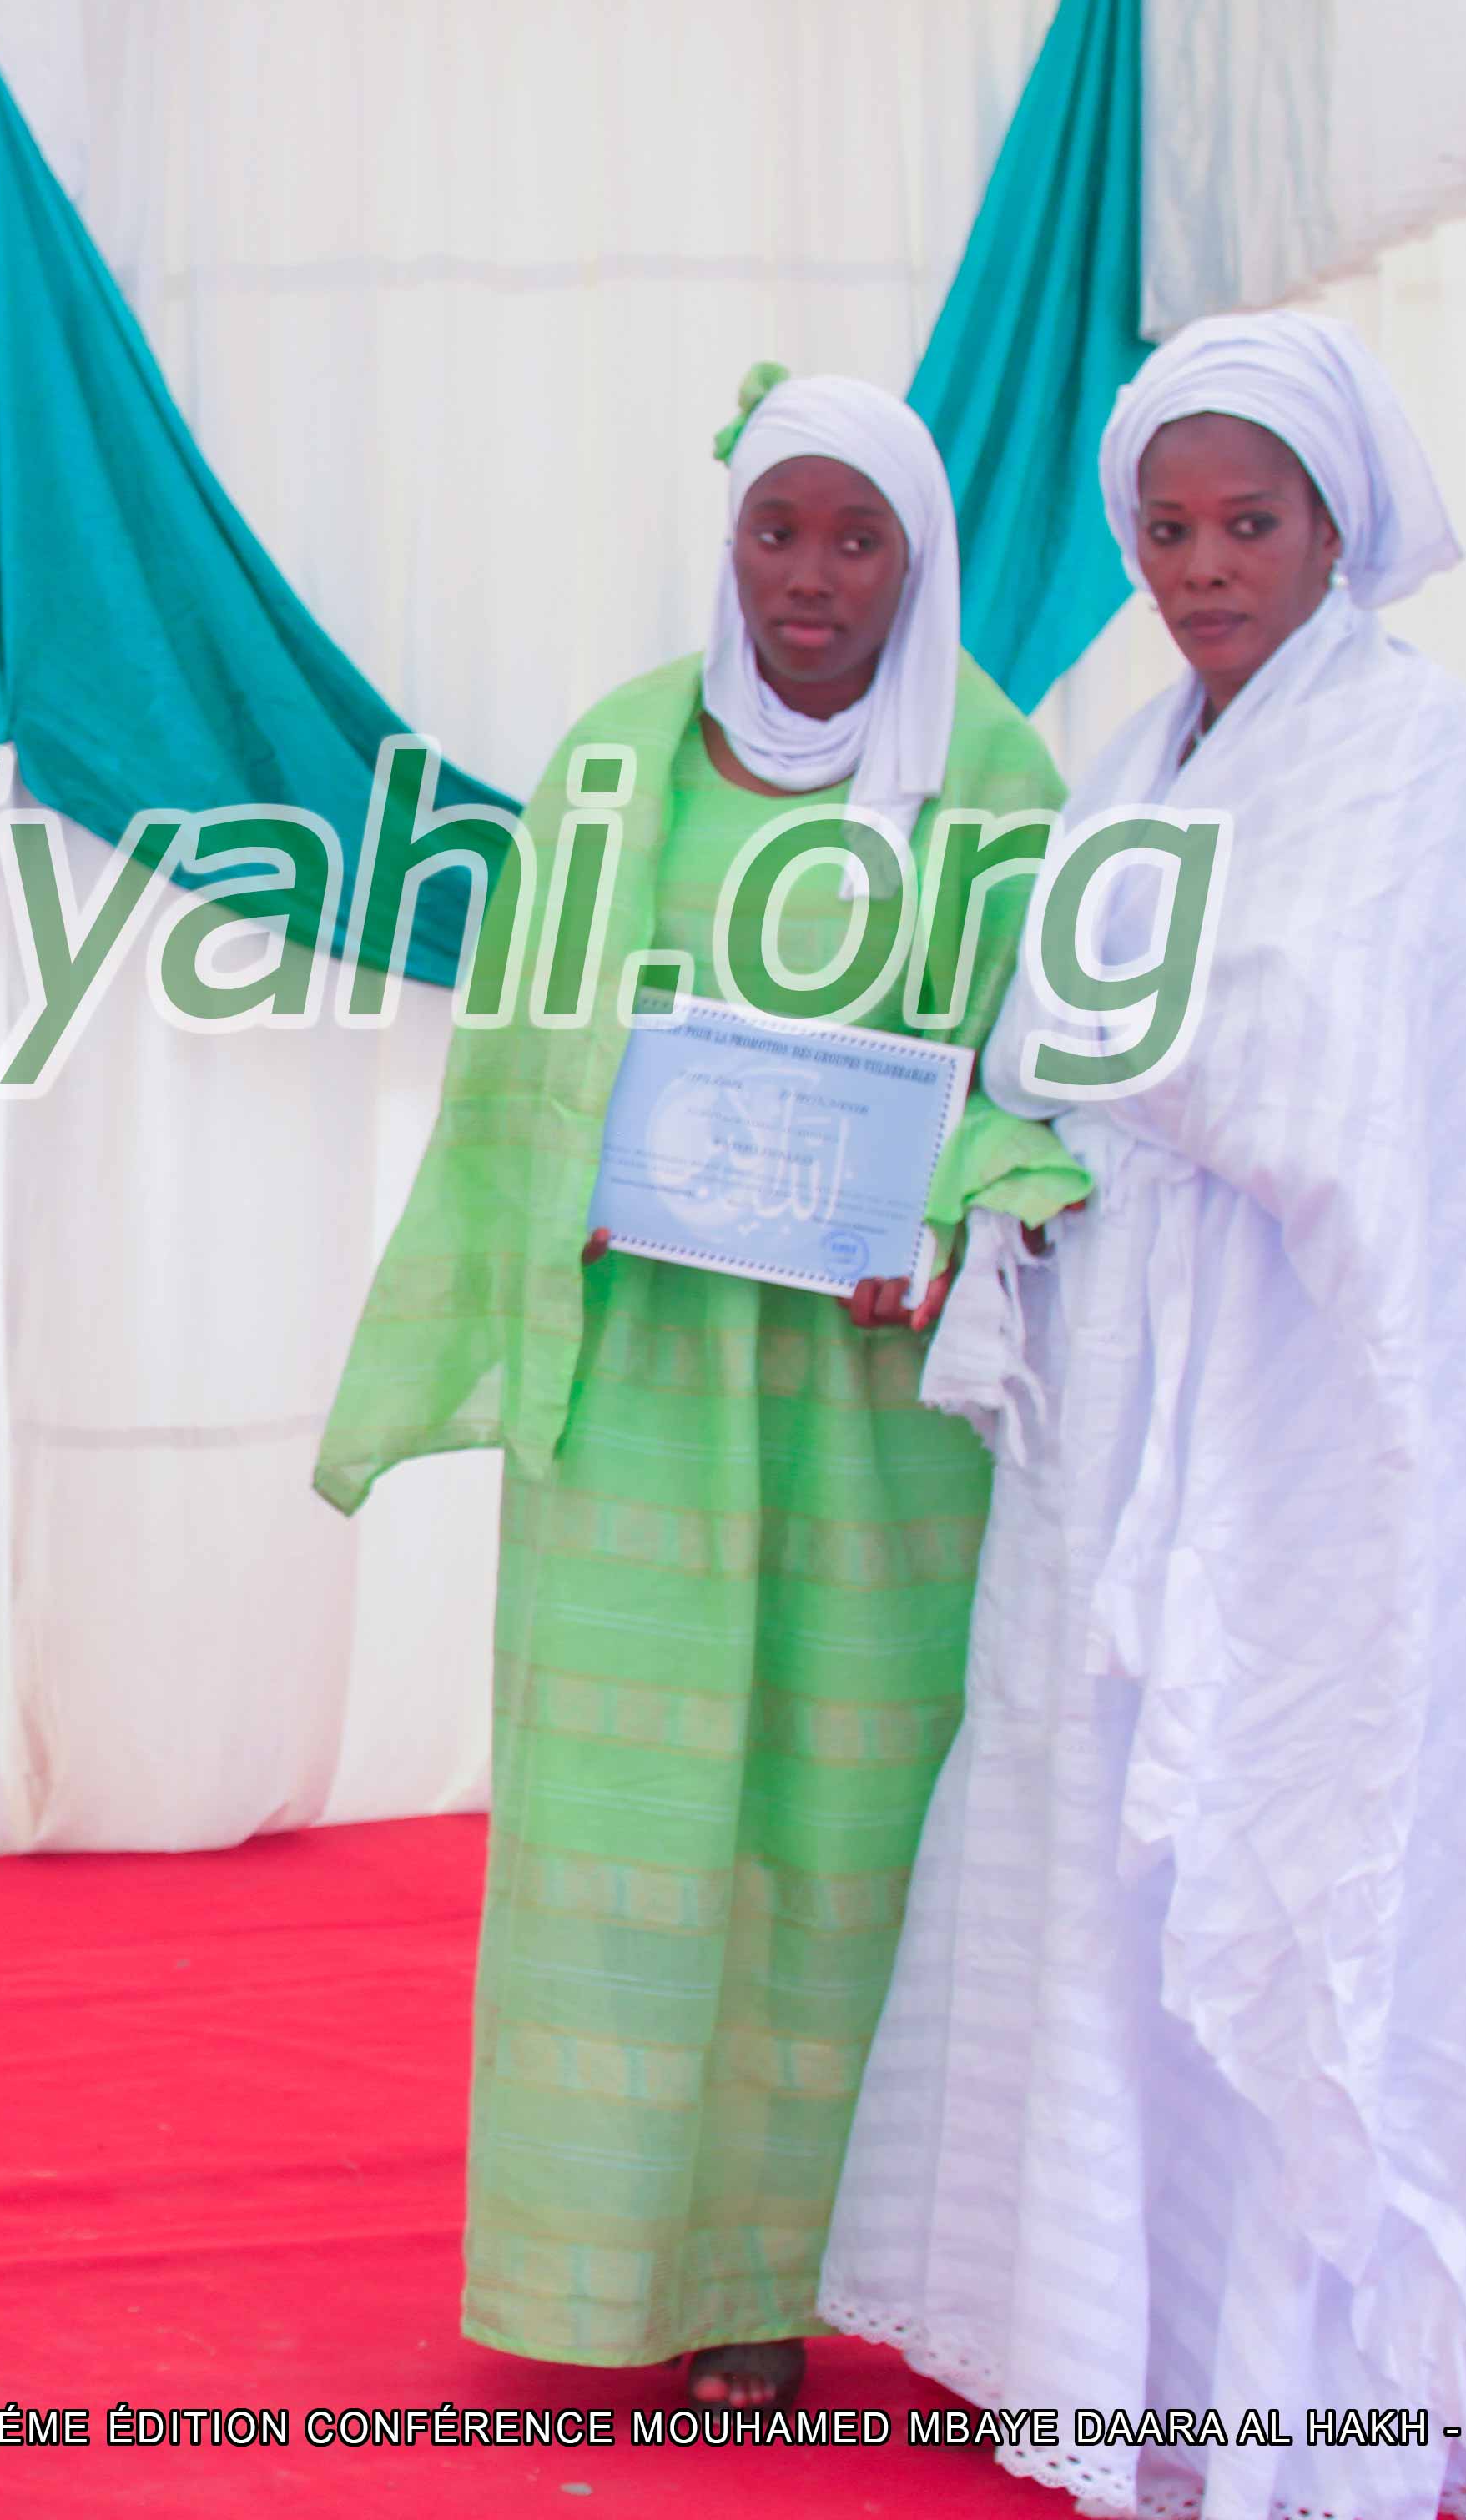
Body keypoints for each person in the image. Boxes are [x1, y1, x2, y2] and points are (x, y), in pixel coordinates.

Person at [819, 313, 1466, 2520]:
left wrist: (1126, 1052)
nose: (1204, 566)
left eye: (1249, 522)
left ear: (1340, 519)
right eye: (1170, 527)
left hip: (1314, 1417)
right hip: (1122, 1386)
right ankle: (1129, 2354)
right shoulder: (1129, 758)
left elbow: (1322, 1085)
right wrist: (1009, 1143)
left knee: (1288, 1819)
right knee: (1104, 1831)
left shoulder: (1414, 749)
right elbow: (1053, 1025)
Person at [311, 376, 1086, 2412]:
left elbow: (1043, 1078)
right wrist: (561, 1183)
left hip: (871, 1397)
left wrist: (942, 1213)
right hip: (646, 1367)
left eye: (854, 539)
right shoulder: (612, 761)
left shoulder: (998, 784)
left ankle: (806, 2269)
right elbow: (523, 1049)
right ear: (723, 538)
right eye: (776, 531)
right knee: (626, 1838)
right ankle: (629, 2273)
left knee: (850, 1837)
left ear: (915, 561)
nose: (810, 577)